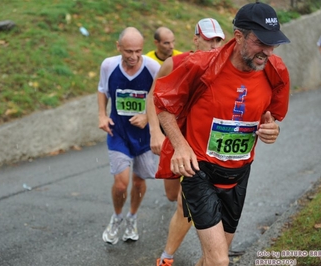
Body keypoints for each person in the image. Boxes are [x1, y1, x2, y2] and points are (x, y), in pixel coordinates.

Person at [153, 2, 290, 266]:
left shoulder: (276, 70)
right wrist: (180, 145)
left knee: (213, 259)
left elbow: (270, 117)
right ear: (239, 36)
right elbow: (163, 105)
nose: (268, 52)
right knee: (219, 261)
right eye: (261, 43)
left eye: (273, 44)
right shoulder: (200, 65)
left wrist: (272, 130)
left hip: (238, 174)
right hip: (199, 169)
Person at [146, 18, 225, 266]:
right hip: (174, 138)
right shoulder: (175, 63)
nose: (213, 45)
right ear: (195, 39)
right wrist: (155, 132)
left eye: (218, 40)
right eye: (208, 38)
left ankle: (168, 258)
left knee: (186, 201)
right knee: (173, 196)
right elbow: (152, 96)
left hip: (201, 146)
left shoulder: (226, 67)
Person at [98, 27, 160, 245]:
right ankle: (116, 217)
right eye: (128, 51)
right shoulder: (108, 65)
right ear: (118, 47)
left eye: (138, 51)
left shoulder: (153, 67)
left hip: (144, 137)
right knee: (121, 183)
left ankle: (132, 218)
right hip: (119, 132)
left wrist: (146, 116)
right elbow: (102, 89)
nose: (134, 57)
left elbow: (163, 98)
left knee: (139, 181)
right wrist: (102, 115)